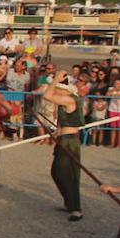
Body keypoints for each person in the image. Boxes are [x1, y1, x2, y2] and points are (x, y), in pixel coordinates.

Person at [37, 73, 86, 221]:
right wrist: (54, 135)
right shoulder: (63, 103)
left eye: (57, 88)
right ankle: (69, 202)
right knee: (56, 172)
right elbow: (61, 125)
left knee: (69, 174)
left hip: (70, 141)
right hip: (64, 139)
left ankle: (76, 209)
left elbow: (46, 95)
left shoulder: (69, 99)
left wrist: (56, 80)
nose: (55, 90)